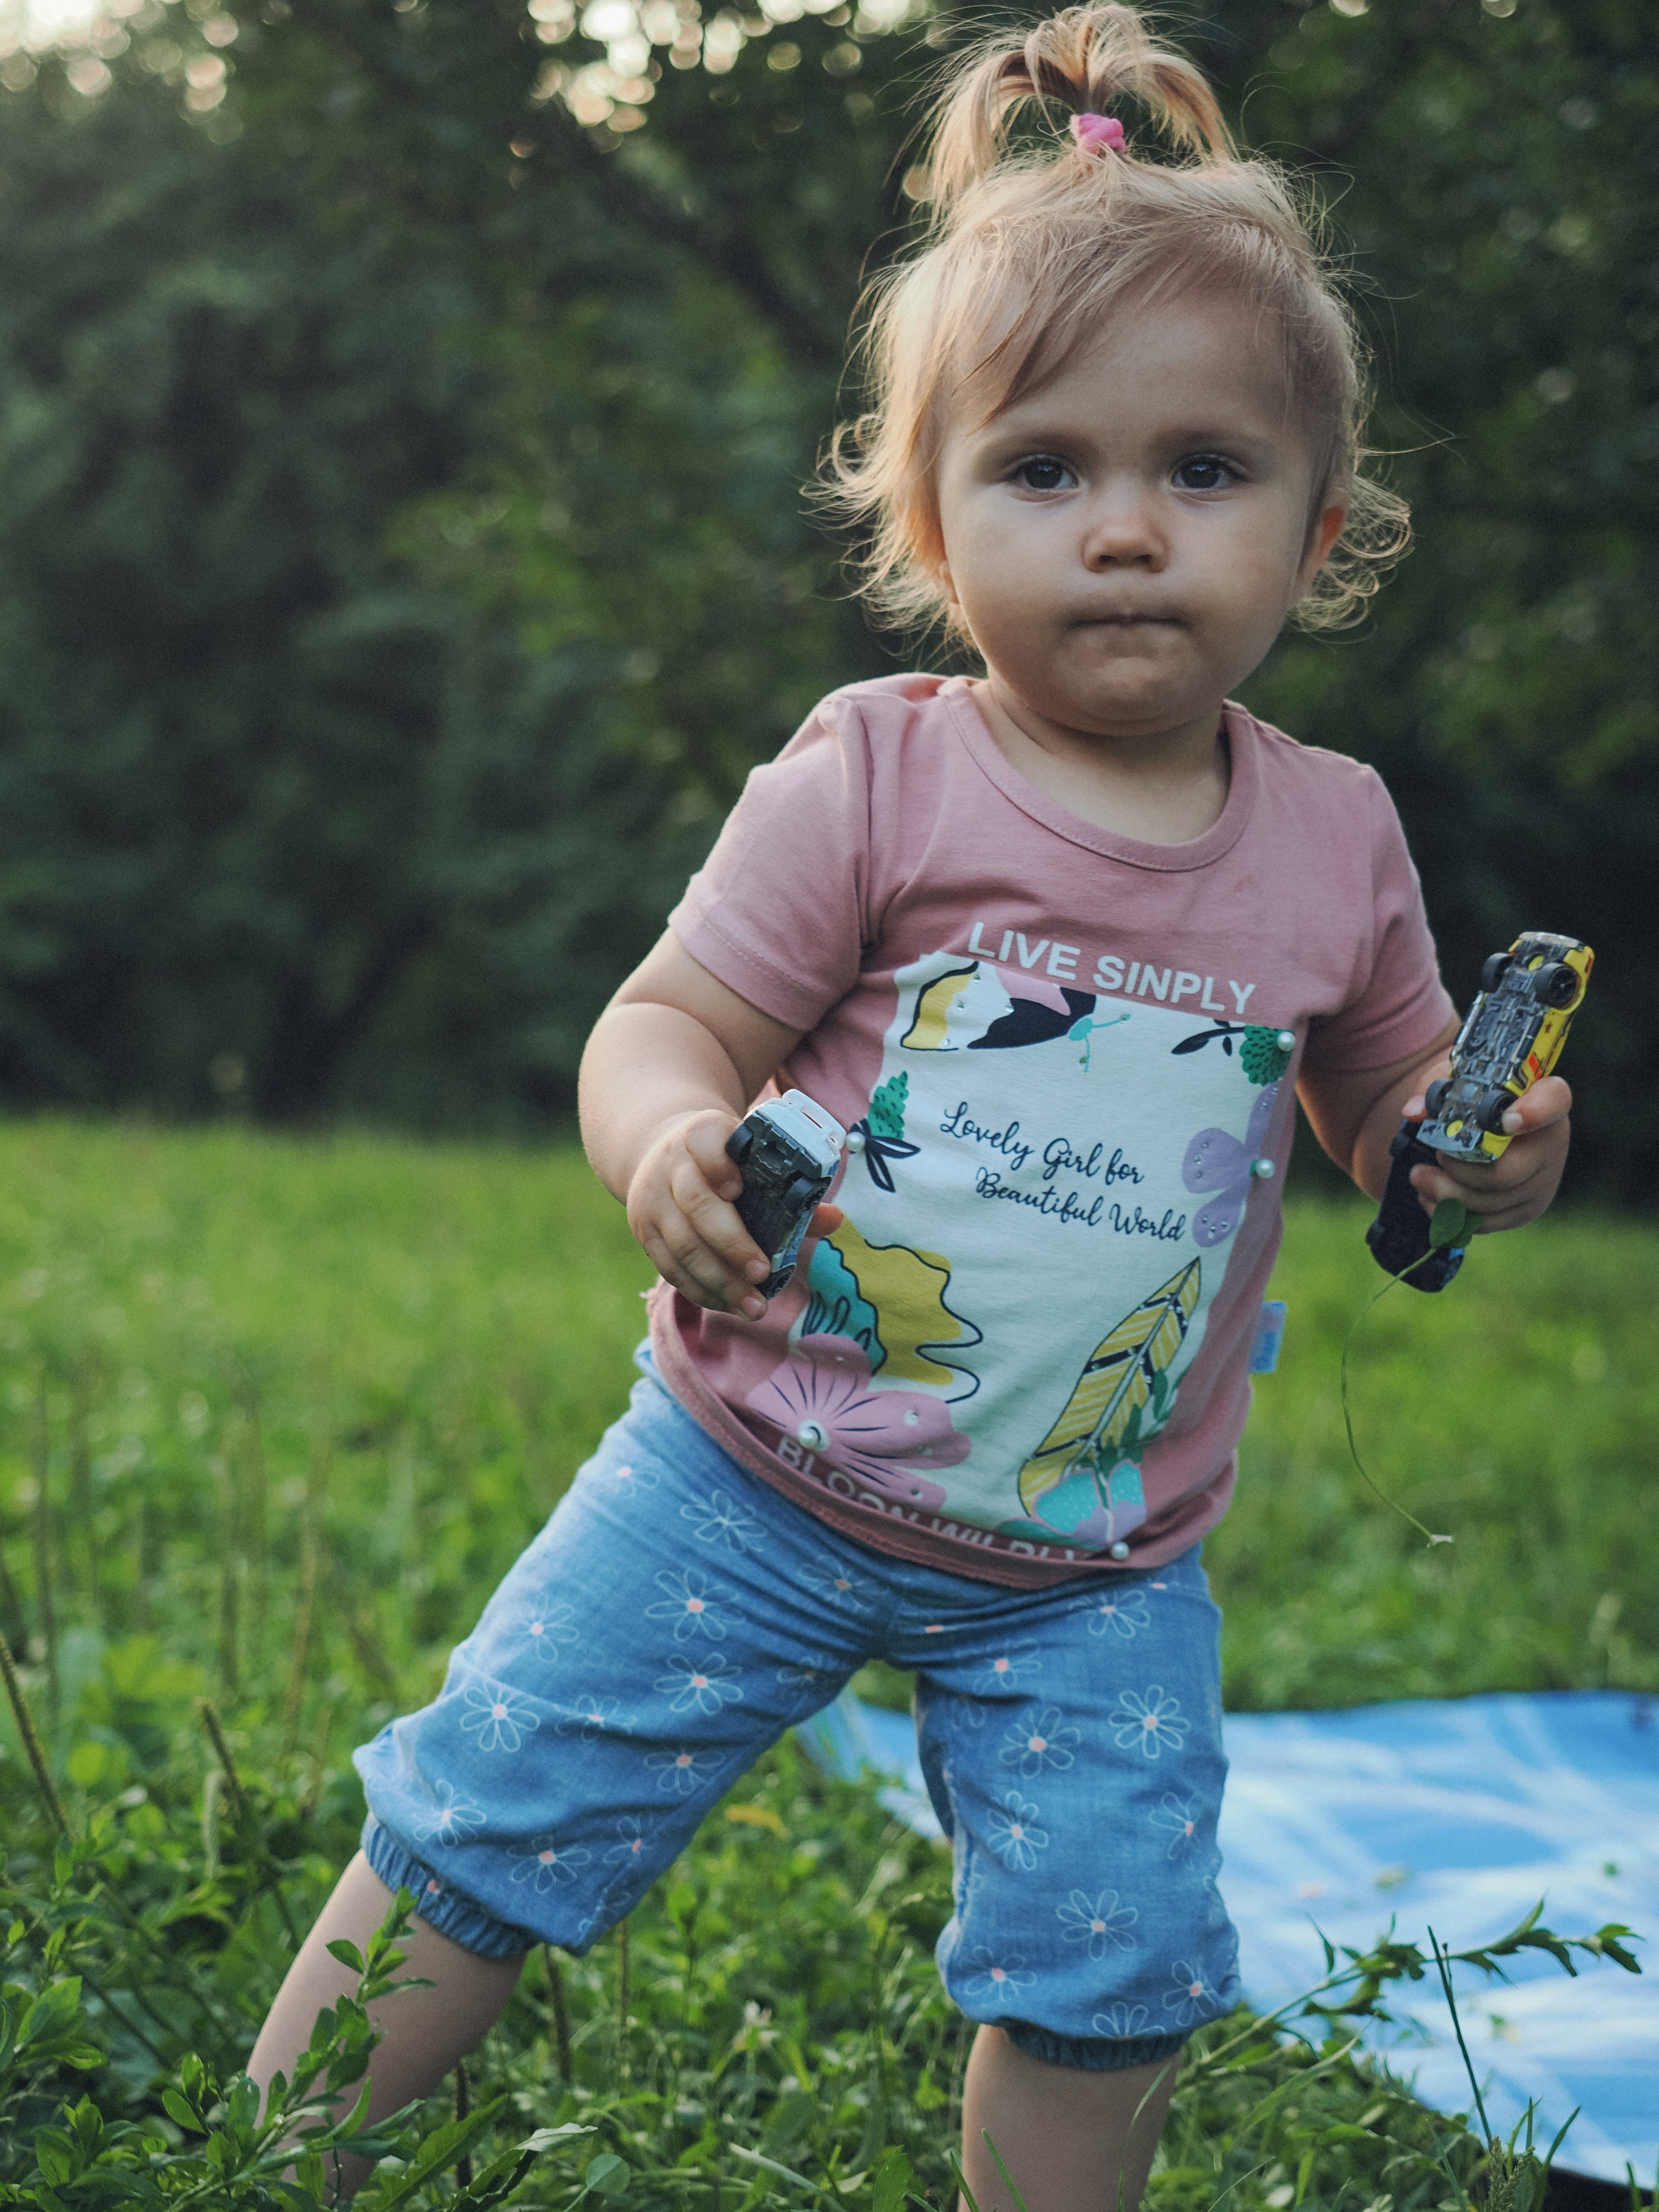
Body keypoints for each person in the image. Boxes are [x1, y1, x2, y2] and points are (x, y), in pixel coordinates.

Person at [248, 8, 1573, 2205]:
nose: (1128, 532)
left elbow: (1386, 1111)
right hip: (745, 1471)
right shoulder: (879, 769)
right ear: (935, 527)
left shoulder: (1336, 840)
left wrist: (1479, 1142)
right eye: (1046, 471)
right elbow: (662, 1021)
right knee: (490, 1800)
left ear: (1319, 527)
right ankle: (266, 2165)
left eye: (1202, 473)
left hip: (1089, 1562)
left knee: (1110, 1955)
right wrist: (666, 1138)